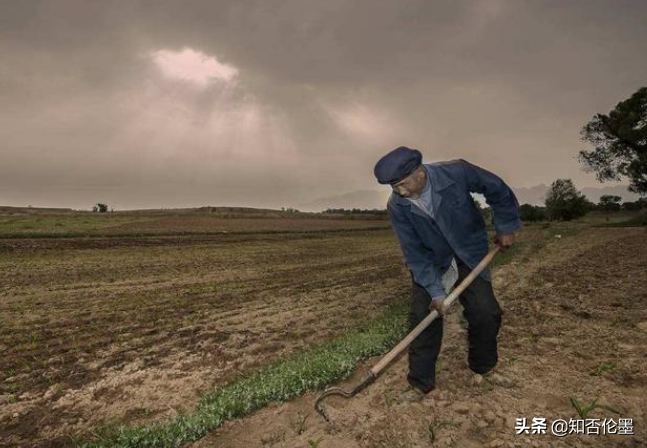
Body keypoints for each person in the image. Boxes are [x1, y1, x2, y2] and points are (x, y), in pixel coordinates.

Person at [373, 146, 521, 396]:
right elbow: (415, 253)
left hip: (468, 253)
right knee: (424, 317)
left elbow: (496, 189)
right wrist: (435, 292)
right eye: (393, 187)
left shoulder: (457, 172)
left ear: (420, 171)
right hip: (433, 261)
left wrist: (505, 225)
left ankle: (483, 367)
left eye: (403, 184)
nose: (400, 191)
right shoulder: (397, 205)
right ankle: (420, 383)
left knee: (485, 313)